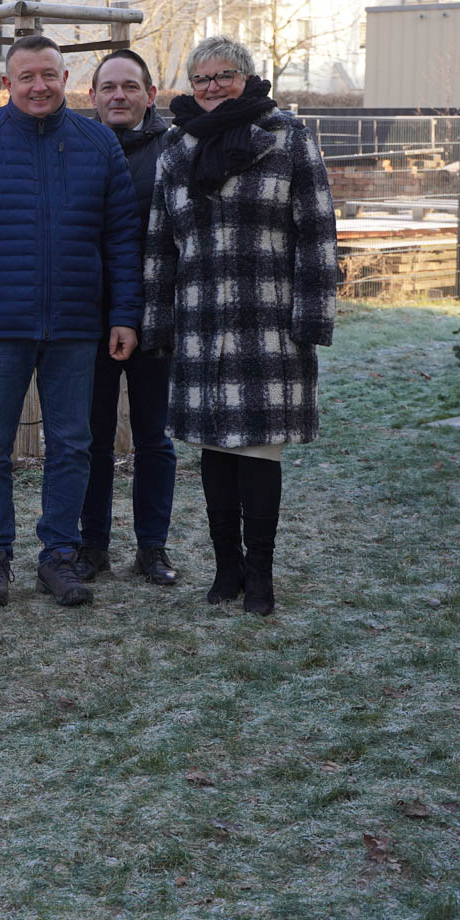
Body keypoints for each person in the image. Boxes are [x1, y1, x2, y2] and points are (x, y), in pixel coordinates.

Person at [0, 34, 143, 609]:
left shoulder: (98, 144)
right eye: (26, 76)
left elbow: (122, 239)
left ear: (65, 77)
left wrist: (124, 313)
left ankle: (58, 554)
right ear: (7, 83)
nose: (39, 86)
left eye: (49, 75)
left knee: (73, 444)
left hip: (78, 324)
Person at [142, 37, 337, 616]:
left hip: (269, 323)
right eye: (201, 79)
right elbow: (160, 244)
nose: (212, 88)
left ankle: (260, 576)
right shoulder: (176, 150)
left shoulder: (288, 138)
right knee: (212, 453)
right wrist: (158, 322)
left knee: (258, 453)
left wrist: (311, 318)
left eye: (224, 76)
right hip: (201, 324)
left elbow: (318, 234)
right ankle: (225, 569)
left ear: (248, 78)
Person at [83, 50, 179, 587]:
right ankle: (92, 545)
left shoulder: (175, 150)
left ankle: (152, 548)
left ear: (150, 93)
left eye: (129, 86)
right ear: (93, 95)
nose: (118, 95)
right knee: (91, 439)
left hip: (157, 315)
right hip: (88, 319)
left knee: (154, 440)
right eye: (108, 87)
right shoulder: (76, 144)